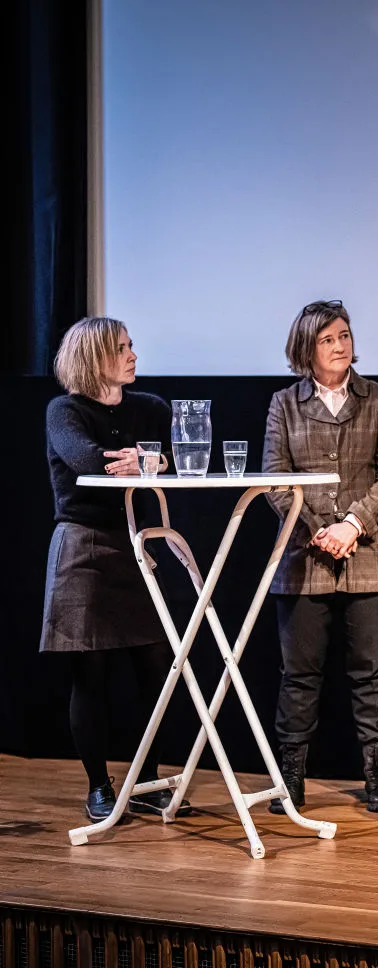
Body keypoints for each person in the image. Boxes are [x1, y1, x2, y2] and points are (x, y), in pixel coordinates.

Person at [263, 300, 378, 814]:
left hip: (371, 553)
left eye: (344, 334)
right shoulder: (283, 403)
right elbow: (276, 481)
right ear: (307, 348)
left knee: (372, 672)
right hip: (306, 554)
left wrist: (352, 524)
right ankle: (292, 778)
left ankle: (377, 776)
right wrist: (322, 528)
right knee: (299, 674)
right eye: (328, 339)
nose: (341, 345)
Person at [42, 317, 188, 821]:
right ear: (94, 357)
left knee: (155, 669)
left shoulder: (150, 408)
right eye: (121, 348)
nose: (132, 355)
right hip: (84, 547)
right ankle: (99, 785)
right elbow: (84, 459)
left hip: (135, 546)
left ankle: (147, 781)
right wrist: (137, 462)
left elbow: (170, 456)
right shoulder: (65, 410)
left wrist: (153, 462)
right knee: (92, 674)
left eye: (131, 346)